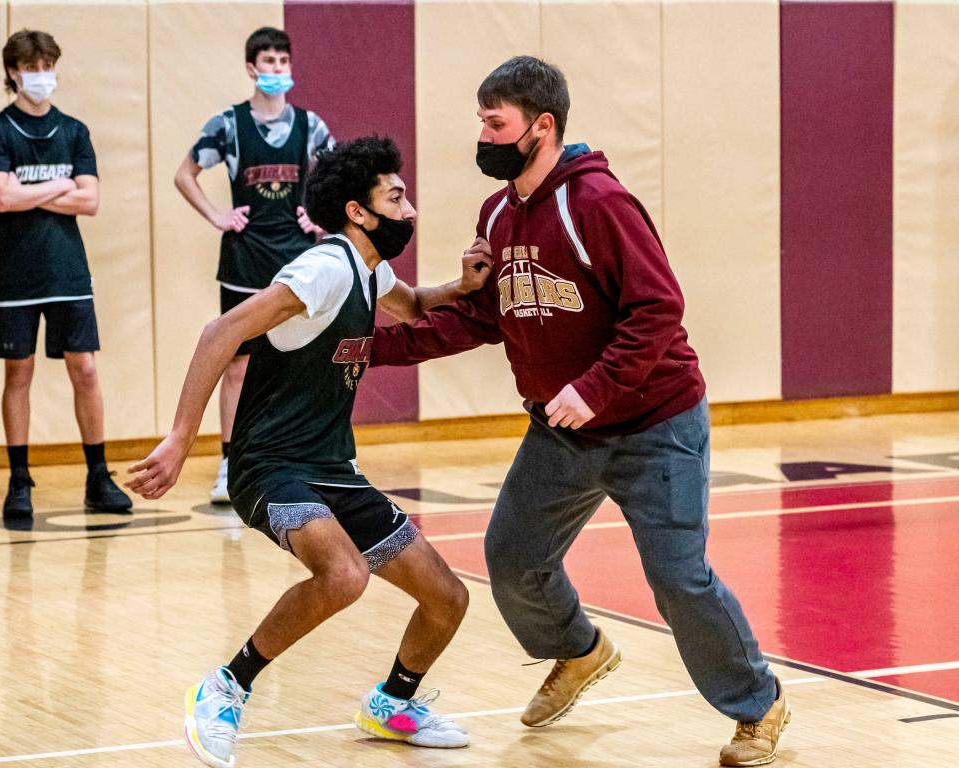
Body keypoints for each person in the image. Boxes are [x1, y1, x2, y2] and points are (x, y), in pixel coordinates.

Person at [371, 56, 791, 767]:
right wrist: (366, 349)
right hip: (562, 431)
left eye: (495, 122)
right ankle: (579, 650)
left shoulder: (598, 202)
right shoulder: (498, 212)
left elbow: (659, 309)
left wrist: (594, 388)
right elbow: (480, 318)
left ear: (541, 126)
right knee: (512, 556)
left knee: (678, 578)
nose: (483, 134)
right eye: (480, 120)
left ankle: (759, 705)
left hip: (655, 424)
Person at [127, 136, 493, 768]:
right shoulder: (323, 269)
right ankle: (225, 688)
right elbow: (222, 330)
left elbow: (406, 305)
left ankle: (393, 704)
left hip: (330, 466)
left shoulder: (369, 269)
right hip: (268, 464)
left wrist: (457, 287)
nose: (410, 210)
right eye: (396, 197)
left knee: (447, 597)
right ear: (357, 210)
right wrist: (181, 439)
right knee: (344, 575)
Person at [174, 26, 334, 504]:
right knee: (238, 363)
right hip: (244, 261)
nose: (276, 70)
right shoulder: (228, 125)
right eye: (268, 62)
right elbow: (185, 174)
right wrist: (217, 216)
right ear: (251, 68)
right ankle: (229, 462)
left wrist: (320, 216)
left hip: (298, 261)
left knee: (306, 360)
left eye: (283, 62)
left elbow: (341, 175)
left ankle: (306, 457)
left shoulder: (311, 126)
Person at [0, 29, 132, 520]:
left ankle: (98, 477)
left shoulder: (73, 130)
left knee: (86, 369)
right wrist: (61, 186)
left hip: (68, 271)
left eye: (48, 65)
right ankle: (18, 481)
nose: (42, 75)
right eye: (32, 67)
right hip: (14, 274)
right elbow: (1, 198)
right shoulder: (2, 130)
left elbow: (90, 200)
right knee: (19, 372)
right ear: (14, 72)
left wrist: (29, 191)